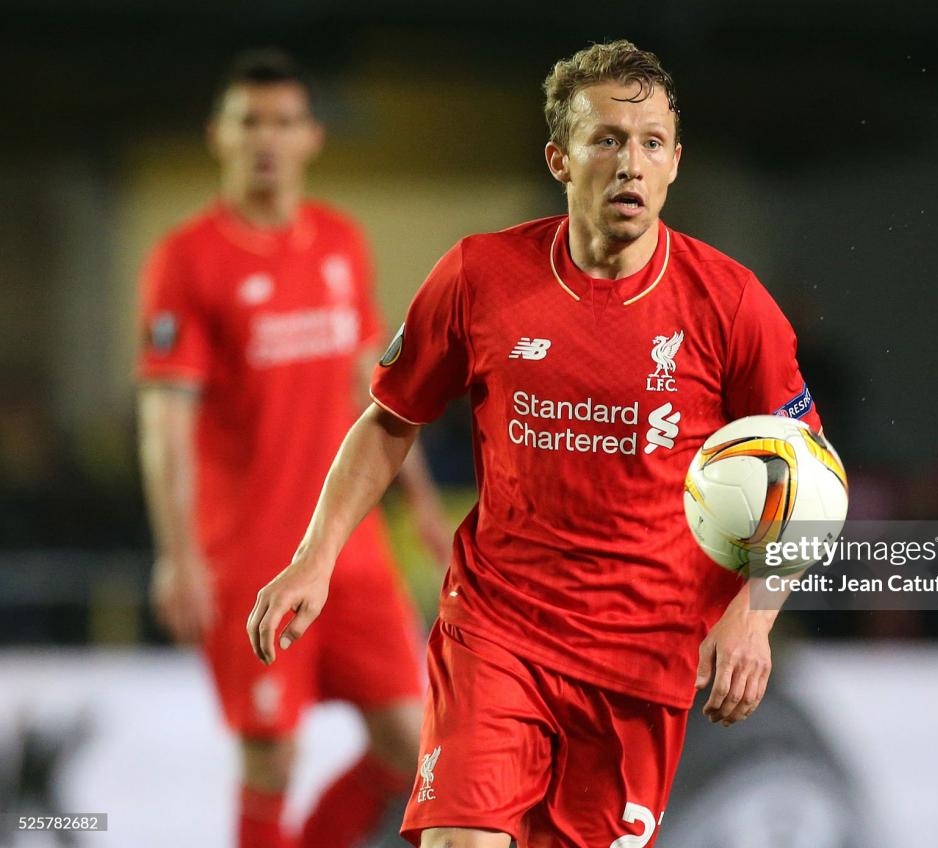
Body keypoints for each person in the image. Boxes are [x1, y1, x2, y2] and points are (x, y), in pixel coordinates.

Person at [247, 40, 823, 848]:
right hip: (498, 630)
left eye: (652, 143)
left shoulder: (729, 304)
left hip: (643, 660)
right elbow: (389, 419)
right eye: (608, 140)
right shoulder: (482, 276)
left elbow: (807, 474)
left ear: (675, 163)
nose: (631, 163)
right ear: (560, 157)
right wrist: (316, 554)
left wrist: (753, 617)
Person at [136, 49, 450, 848]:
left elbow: (379, 394)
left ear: (312, 136)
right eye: (249, 123)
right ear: (219, 135)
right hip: (249, 552)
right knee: (271, 755)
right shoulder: (188, 259)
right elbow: (165, 422)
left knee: (413, 747)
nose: (266, 140)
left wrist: (421, 509)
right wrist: (176, 554)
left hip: (351, 547)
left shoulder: (341, 243)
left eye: (283, 122)